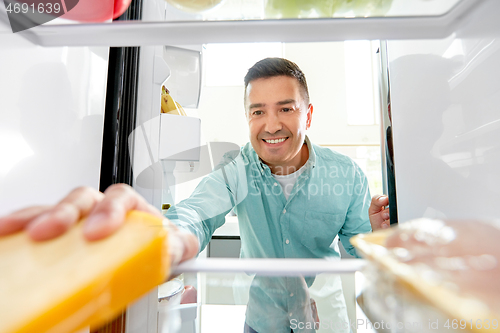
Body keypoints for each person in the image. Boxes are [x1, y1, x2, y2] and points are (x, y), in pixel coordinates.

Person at [0, 58, 390, 332]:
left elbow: (360, 255)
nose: (271, 124)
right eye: (257, 112)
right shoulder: (237, 169)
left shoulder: (346, 174)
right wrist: (162, 235)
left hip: (326, 322)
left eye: (285, 109)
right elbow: (197, 214)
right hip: (261, 319)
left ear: (306, 115)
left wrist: (375, 237)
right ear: (248, 118)